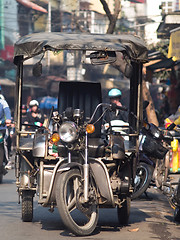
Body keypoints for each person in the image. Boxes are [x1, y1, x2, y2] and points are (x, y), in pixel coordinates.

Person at [0, 97, 12, 170]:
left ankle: (7, 161)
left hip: (2, 128)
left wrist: (8, 119)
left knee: (5, 142)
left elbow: (7, 111)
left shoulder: (3, 102)